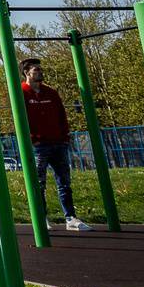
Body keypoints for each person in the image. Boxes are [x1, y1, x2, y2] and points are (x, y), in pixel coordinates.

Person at [19, 58, 89, 231]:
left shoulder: (51, 93)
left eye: (40, 70)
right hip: (38, 145)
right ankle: (41, 217)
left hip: (58, 143)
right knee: (38, 183)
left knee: (64, 181)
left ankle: (70, 218)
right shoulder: (21, 92)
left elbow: (61, 116)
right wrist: (31, 138)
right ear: (27, 73)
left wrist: (65, 136)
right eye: (36, 70)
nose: (40, 72)